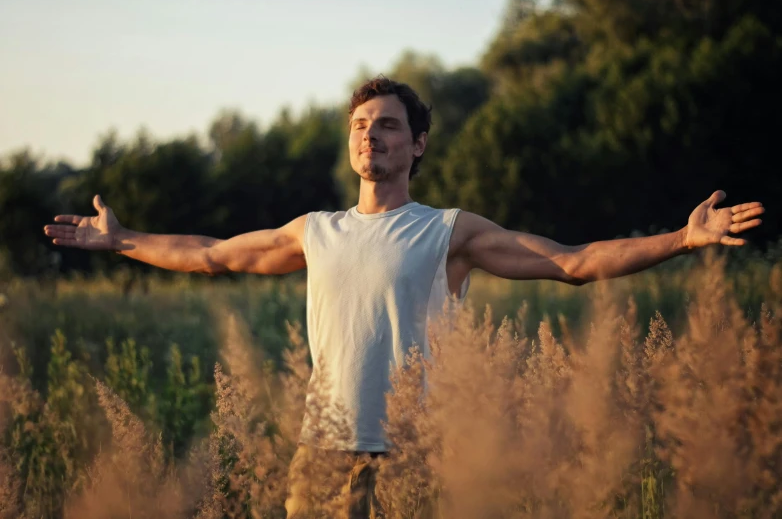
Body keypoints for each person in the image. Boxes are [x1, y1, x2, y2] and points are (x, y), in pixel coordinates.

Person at [44, 77, 764, 518]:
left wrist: (682, 238)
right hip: (319, 455)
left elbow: (572, 264)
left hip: (414, 454)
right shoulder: (314, 231)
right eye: (360, 127)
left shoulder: (448, 231)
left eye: (387, 126)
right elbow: (209, 256)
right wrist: (124, 240)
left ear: (417, 144)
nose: (370, 137)